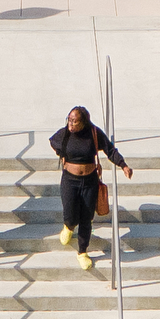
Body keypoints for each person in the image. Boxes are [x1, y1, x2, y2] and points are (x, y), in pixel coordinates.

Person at [48, 104, 131, 270]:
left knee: (86, 217)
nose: (70, 124)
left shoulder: (94, 133)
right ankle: (68, 226)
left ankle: (82, 251)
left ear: (84, 122)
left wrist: (123, 165)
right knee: (71, 213)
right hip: (69, 180)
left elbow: (110, 150)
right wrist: (62, 154)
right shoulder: (64, 133)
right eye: (69, 120)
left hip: (90, 181)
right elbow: (53, 142)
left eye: (75, 122)